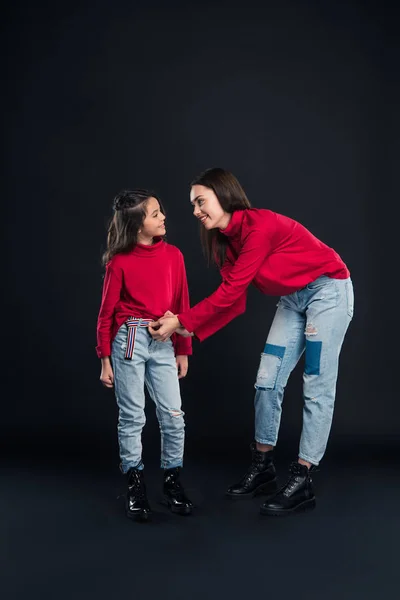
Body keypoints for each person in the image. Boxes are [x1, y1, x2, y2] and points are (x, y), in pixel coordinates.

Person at [149, 168, 354, 516]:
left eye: (201, 201)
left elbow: (229, 292)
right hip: (293, 299)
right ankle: (264, 466)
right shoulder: (225, 244)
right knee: (266, 381)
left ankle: (303, 477)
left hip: (327, 291)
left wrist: (183, 321)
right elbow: (235, 301)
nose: (196, 211)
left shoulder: (259, 227)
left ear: (223, 195)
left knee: (317, 384)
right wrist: (188, 329)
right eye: (193, 205)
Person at [96, 189, 193, 521]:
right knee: (133, 416)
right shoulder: (119, 262)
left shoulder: (175, 256)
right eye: (155, 214)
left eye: (160, 211)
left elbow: (182, 305)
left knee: (173, 416)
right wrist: (105, 359)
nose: (163, 217)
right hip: (131, 338)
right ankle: (135, 485)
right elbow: (106, 314)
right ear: (138, 225)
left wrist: (183, 349)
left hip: (164, 337)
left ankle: (172, 481)